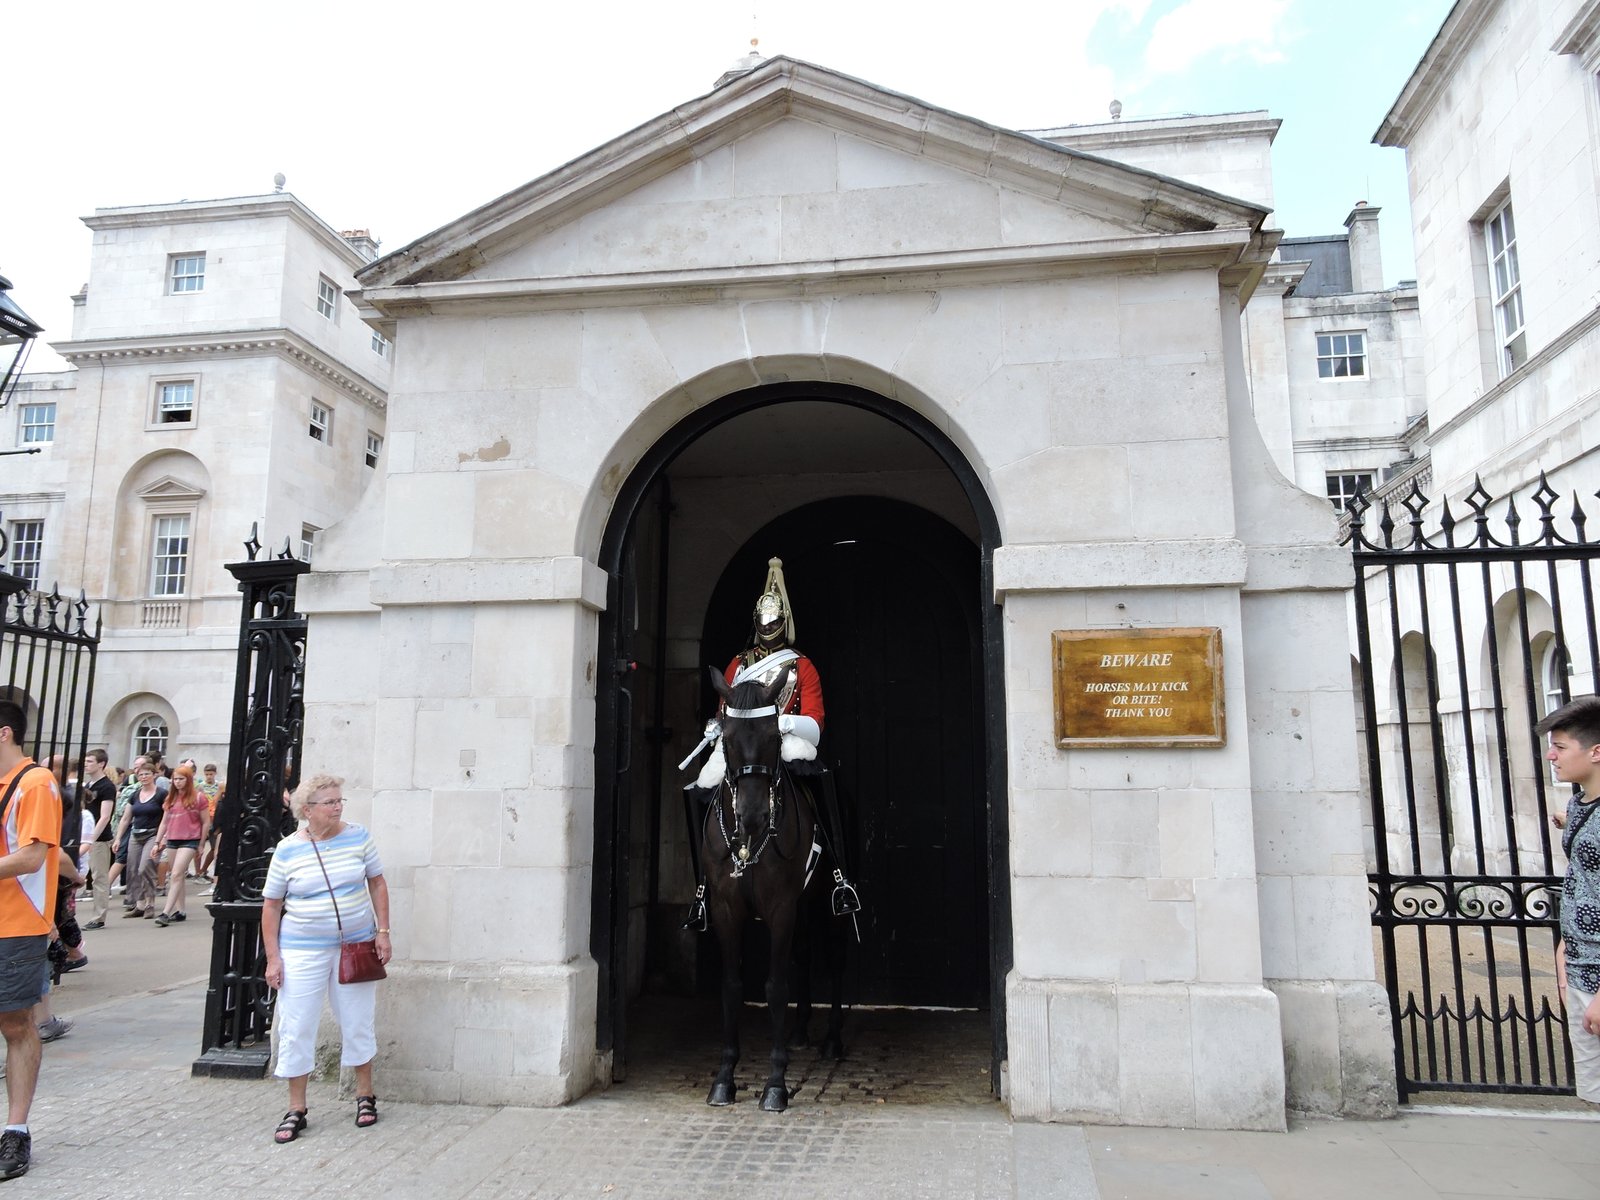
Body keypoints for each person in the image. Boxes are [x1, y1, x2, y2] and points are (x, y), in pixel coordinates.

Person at [683, 557, 859, 930]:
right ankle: (701, 889)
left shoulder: (801, 666)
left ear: (784, 622)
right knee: (701, 787)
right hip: (742, 741)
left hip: (786, 739)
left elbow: (815, 722)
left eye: (774, 623)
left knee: (822, 782)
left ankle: (839, 877)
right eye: (763, 623)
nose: (768, 629)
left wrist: (784, 722)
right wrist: (715, 726)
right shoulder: (737, 665)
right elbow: (723, 710)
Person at [261, 774, 391, 1144]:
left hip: (355, 944)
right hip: (302, 949)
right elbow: (271, 906)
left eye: (339, 801)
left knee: (357, 1020)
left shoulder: (358, 836)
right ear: (307, 810)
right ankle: (296, 1107)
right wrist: (273, 958)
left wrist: (383, 931)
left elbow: (377, 882)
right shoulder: (288, 850)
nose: (337, 807)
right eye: (329, 802)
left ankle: (364, 1095)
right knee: (297, 1024)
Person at [0, 699, 64, 1179]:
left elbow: (32, 857)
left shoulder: (36, 782)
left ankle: (16, 1130)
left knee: (16, 1025)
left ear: (4, 733)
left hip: (16, 925)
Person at [1539, 695, 1600, 1109]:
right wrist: (1565, 948)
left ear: (1595, 752)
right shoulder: (1578, 803)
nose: (1551, 756)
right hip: (1580, 965)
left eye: (1560, 747)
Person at [151, 765, 209, 927]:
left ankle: (166, 912)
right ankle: (181, 910)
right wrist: (157, 842)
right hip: (172, 839)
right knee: (177, 875)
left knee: (176, 874)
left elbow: (206, 822)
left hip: (190, 839)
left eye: (181, 779)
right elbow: (164, 822)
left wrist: (201, 844)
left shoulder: (199, 797)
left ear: (188, 780)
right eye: (175, 779)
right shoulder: (170, 798)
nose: (177, 782)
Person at [113, 765, 164, 919]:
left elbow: (167, 817)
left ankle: (150, 903)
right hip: (136, 834)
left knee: (145, 867)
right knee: (133, 869)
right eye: (141, 775)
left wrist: (162, 838)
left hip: (153, 834)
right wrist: (118, 838)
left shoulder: (161, 794)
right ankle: (140, 904)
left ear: (154, 775)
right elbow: (126, 818)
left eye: (147, 774)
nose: (143, 777)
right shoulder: (135, 795)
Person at [79, 752, 115, 930]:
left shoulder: (107, 786)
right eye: (85, 761)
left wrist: (91, 839)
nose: (86, 764)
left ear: (101, 764)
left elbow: (105, 816)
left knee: (99, 877)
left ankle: (99, 917)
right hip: (85, 837)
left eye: (90, 761)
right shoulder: (88, 785)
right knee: (88, 875)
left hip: (99, 839)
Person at [196, 763, 223, 882]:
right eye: (207, 774)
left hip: (214, 819)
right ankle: (198, 871)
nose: (209, 776)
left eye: (211, 774)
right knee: (198, 846)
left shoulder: (219, 786)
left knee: (214, 847)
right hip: (203, 818)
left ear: (215, 773)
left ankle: (203, 870)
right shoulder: (200, 786)